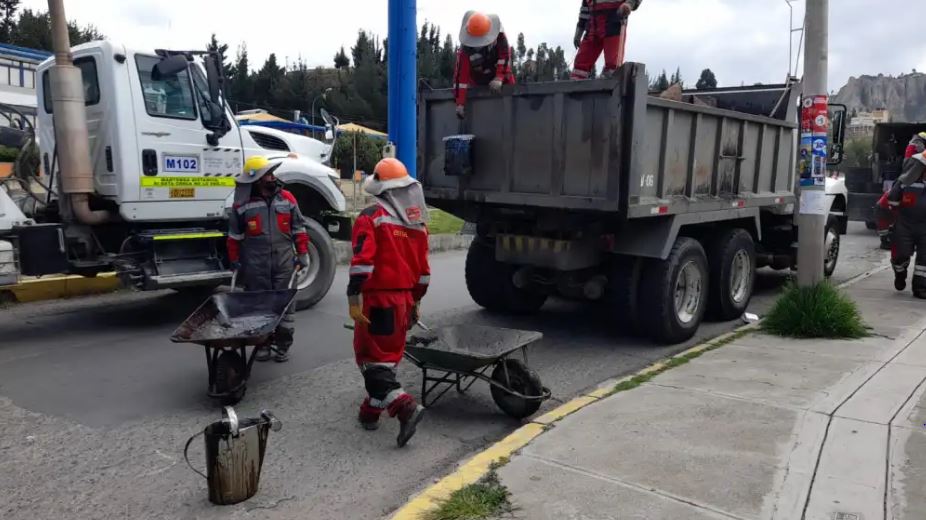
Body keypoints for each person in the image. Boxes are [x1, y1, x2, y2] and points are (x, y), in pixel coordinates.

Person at [348, 157, 430, 447]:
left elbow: (362, 265)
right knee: (386, 361)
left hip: (378, 299)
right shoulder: (417, 224)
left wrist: (353, 297)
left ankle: (405, 406)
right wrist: (415, 303)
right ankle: (369, 413)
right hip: (405, 300)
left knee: (372, 362)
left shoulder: (371, 217)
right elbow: (423, 274)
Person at [227, 155, 310, 362]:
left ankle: (283, 345)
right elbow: (234, 237)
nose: (273, 177)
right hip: (255, 264)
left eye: (272, 173)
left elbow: (298, 228)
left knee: (285, 306)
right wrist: (234, 260)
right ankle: (262, 345)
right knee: (259, 306)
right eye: (268, 174)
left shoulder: (288, 198)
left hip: (284, 261)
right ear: (257, 180)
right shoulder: (242, 204)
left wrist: (303, 254)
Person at [453, 11, 515, 119]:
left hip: (503, 80)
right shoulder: (465, 51)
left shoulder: (500, 38)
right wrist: (460, 104)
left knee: (511, 93)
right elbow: (460, 78)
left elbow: (504, 59)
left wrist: (499, 78)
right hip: (478, 82)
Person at [876, 132, 926, 256]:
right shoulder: (917, 146)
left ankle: (887, 237)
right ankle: (886, 237)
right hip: (909, 183)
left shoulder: (915, 146)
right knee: (884, 205)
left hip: (909, 182)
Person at [571, 0, 642, 80]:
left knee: (613, 67)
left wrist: (629, 4)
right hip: (592, 26)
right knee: (580, 65)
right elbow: (585, 9)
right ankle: (576, 87)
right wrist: (579, 31)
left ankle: (609, 87)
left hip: (614, 24)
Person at [887, 151, 926, 296]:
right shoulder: (905, 182)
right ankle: (900, 273)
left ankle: (920, 288)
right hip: (905, 224)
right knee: (901, 255)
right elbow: (892, 199)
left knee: (924, 260)